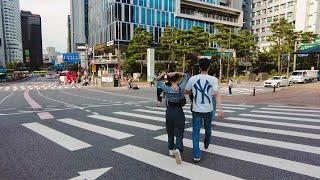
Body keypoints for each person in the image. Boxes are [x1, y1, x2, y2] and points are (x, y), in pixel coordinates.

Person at [185, 58, 223, 162]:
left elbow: (186, 91)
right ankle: (206, 143)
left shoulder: (192, 79)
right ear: (209, 67)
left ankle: (196, 154)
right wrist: (220, 109)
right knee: (208, 128)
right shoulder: (213, 79)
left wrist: (192, 92)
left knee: (196, 131)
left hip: (196, 110)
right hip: (208, 109)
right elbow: (217, 94)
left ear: (199, 67)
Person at [156, 71, 189, 165]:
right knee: (179, 132)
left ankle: (171, 148)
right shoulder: (181, 88)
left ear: (169, 80)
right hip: (179, 112)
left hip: (169, 112)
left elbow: (157, 80)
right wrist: (177, 72)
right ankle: (178, 148)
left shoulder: (167, 88)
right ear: (178, 80)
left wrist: (164, 74)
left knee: (170, 131)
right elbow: (186, 76)